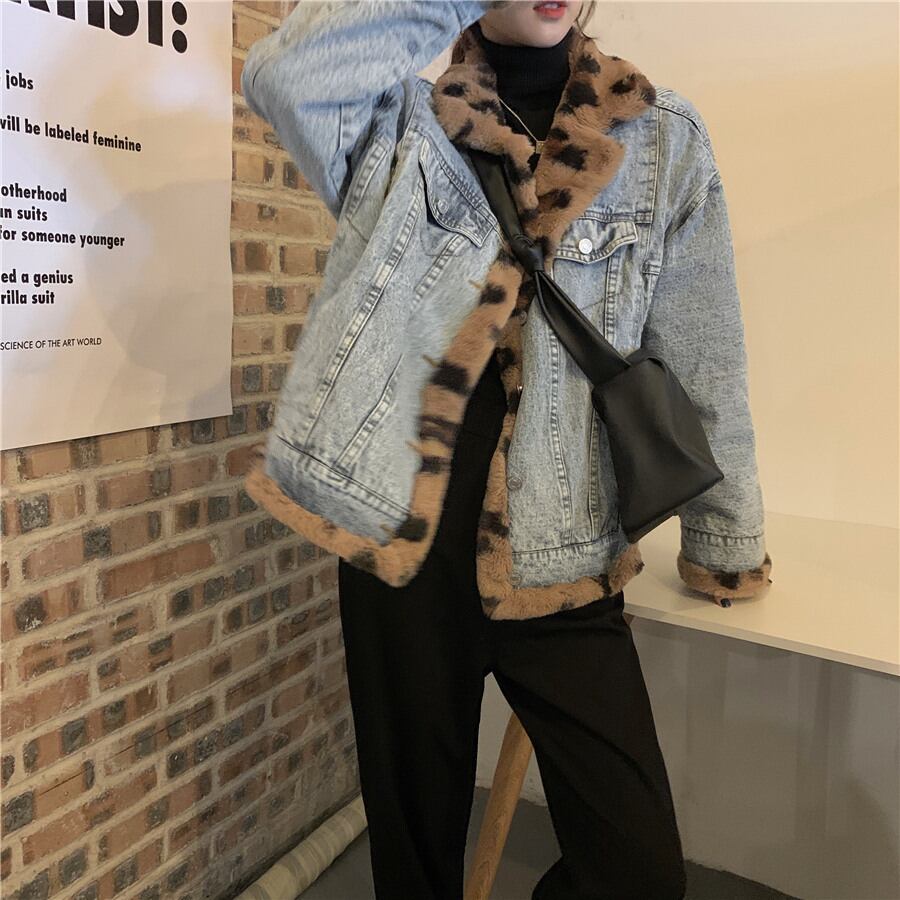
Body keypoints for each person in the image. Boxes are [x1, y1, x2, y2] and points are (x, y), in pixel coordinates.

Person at [241, 1, 773, 897]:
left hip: (565, 550)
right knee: (415, 857)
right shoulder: (401, 125)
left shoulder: (662, 138)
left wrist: (727, 538)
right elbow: (283, 74)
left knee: (637, 870)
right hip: (400, 548)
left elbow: (704, 346)